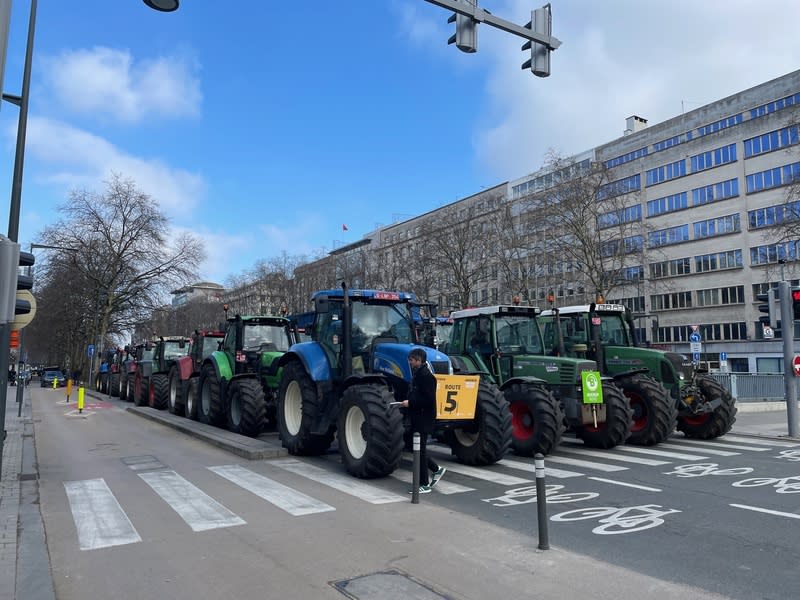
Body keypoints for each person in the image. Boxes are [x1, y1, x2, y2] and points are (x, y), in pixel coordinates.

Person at [401, 347, 446, 494]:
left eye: (412, 360)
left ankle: (424, 484)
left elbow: (429, 400)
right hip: (418, 417)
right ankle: (436, 470)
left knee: (419, 451)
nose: (410, 362)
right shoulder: (420, 374)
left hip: (423, 419)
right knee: (418, 450)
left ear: (419, 361)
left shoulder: (426, 376)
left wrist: (411, 403)